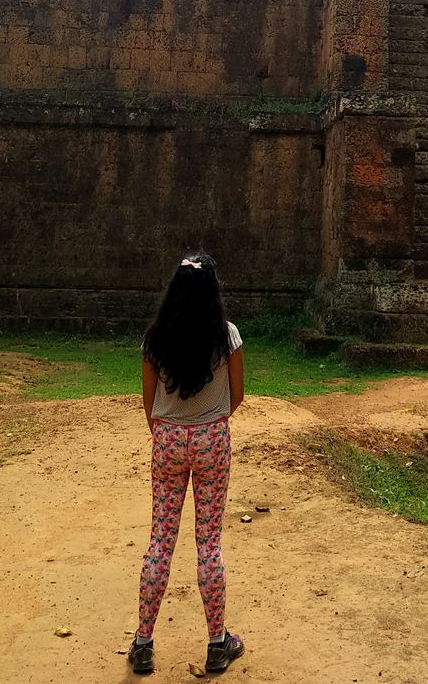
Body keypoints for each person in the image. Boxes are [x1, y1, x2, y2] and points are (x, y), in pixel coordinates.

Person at [128, 253, 245, 675]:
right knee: (209, 542)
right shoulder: (226, 336)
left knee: (161, 539)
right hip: (212, 437)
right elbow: (237, 395)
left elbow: (148, 401)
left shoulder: (156, 338)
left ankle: (143, 642)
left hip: (168, 440)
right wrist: (209, 421)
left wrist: (167, 431)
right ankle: (217, 643)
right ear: (213, 292)